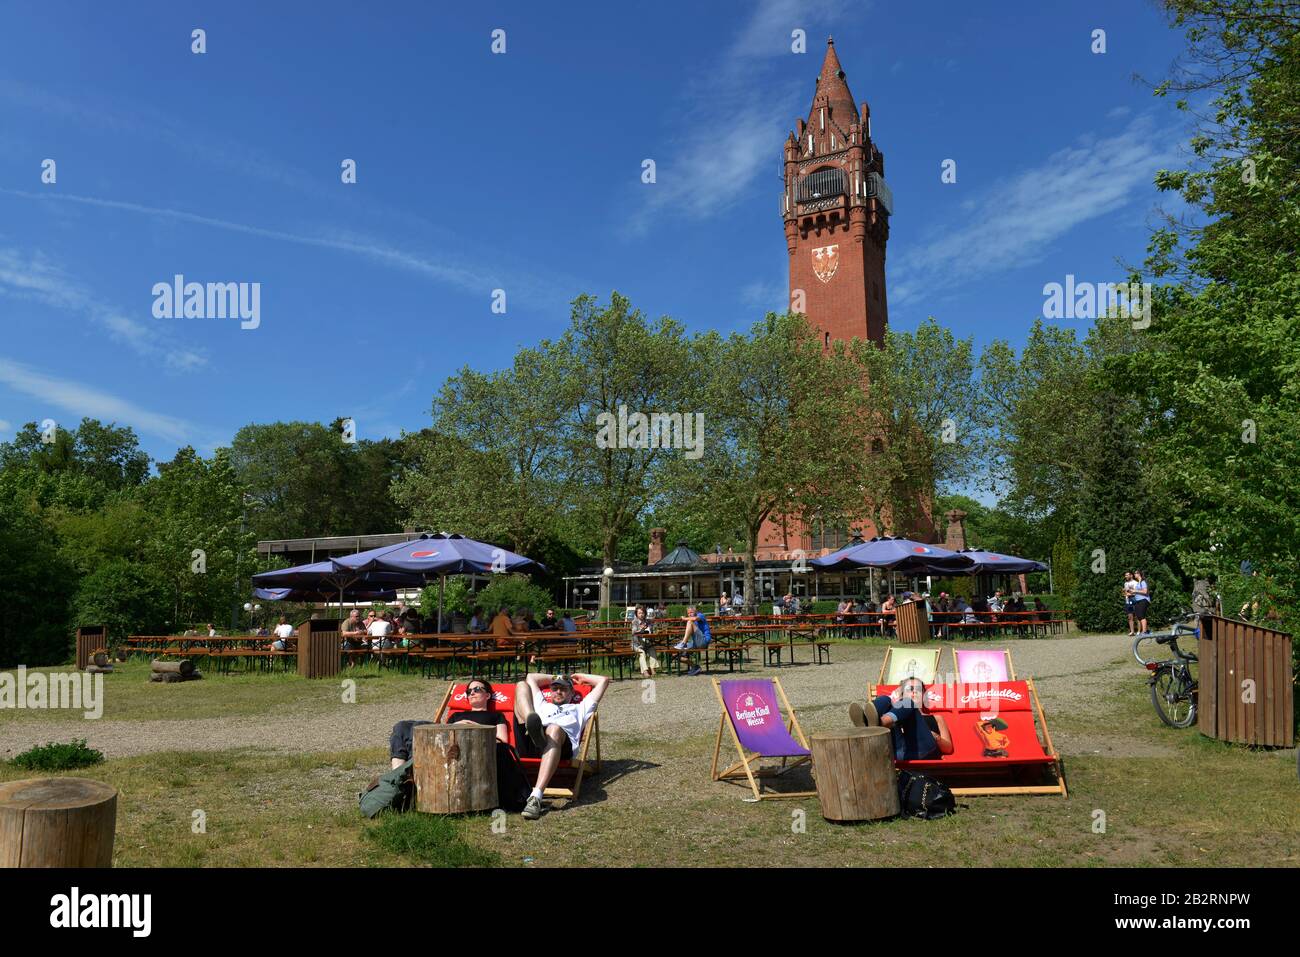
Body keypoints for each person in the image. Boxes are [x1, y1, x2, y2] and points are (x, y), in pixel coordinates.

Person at [387, 676, 529, 812]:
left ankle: (400, 784)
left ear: (488, 695)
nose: (472, 692)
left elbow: (502, 742)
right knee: (402, 726)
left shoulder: (496, 716)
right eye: (469, 691)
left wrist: (473, 726)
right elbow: (442, 736)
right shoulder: (457, 715)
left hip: (473, 750)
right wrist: (457, 724)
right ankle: (398, 778)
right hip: (449, 747)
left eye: (477, 689)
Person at [513, 672, 611, 820]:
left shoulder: (580, 708)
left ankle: (536, 797)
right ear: (550, 692)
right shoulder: (542, 704)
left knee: (554, 728)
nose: (558, 691)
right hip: (531, 744)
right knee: (521, 685)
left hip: (560, 746)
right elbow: (530, 677)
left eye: (564, 689)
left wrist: (577, 678)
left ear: (572, 692)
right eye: (555, 688)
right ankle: (531, 722)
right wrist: (556, 676)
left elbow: (603, 680)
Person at [849, 676, 953, 761]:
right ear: (902, 695)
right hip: (898, 752)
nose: (914, 692)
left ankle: (879, 723)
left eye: (918, 690)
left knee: (908, 703)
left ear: (924, 696)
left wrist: (935, 736)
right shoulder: (895, 712)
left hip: (923, 751)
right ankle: (866, 723)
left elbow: (948, 748)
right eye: (909, 689)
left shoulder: (937, 718)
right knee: (884, 699)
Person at [671, 604, 712, 676]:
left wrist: (684, 618)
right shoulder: (691, 620)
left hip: (704, 641)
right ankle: (694, 667)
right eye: (688, 613)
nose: (690, 614)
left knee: (690, 621)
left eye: (691, 612)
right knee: (675, 654)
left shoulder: (700, 615)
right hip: (695, 643)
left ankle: (683, 643)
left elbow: (695, 619)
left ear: (695, 611)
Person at [630, 604, 656, 678]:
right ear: (636, 614)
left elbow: (652, 631)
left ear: (645, 613)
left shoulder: (648, 621)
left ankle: (652, 668)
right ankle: (645, 671)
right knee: (642, 653)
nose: (641, 615)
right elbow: (634, 632)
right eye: (639, 613)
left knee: (652, 650)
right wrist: (640, 629)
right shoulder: (634, 622)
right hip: (636, 644)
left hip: (647, 643)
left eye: (642, 613)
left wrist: (649, 628)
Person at [1132, 570, 1151, 635]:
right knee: (1139, 616)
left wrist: (1135, 590)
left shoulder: (1143, 582)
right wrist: (1129, 592)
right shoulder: (1138, 583)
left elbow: (1145, 592)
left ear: (1139, 574)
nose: (1134, 574)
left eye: (1135, 573)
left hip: (1144, 600)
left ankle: (1144, 631)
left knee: (1142, 615)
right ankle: (1147, 630)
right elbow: (1137, 592)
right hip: (1138, 601)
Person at [1123, 571, 1137, 636]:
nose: (1126, 576)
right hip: (1128, 601)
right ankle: (1132, 631)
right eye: (1125, 575)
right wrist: (1124, 593)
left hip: (1134, 600)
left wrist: (1129, 593)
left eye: (1127, 575)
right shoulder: (1125, 583)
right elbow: (1125, 592)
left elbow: (1136, 592)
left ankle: (1140, 631)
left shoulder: (1135, 582)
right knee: (1130, 616)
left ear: (1131, 575)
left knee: (1138, 616)